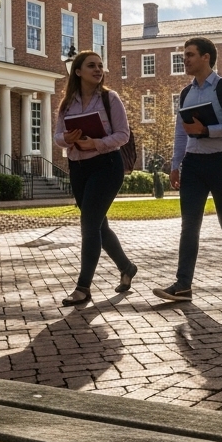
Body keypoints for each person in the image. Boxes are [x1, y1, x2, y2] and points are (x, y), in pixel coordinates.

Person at [153, 37, 222, 301]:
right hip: (193, 165)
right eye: (184, 55)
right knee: (189, 225)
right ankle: (183, 284)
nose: (185, 59)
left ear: (206, 57)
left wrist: (206, 130)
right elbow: (181, 132)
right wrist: (175, 165)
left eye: (190, 54)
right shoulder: (186, 93)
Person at [54, 51, 137, 305]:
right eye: (92, 66)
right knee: (99, 226)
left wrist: (97, 143)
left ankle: (83, 287)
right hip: (78, 168)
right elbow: (57, 136)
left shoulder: (110, 99)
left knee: (89, 225)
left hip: (106, 166)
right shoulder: (67, 103)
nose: (98, 69)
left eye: (101, 65)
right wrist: (66, 139)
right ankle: (126, 267)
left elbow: (123, 135)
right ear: (77, 71)